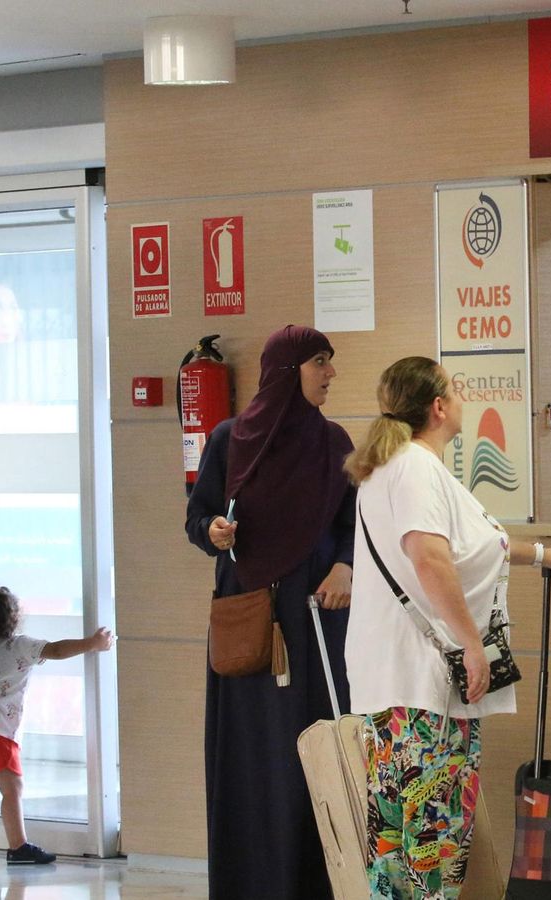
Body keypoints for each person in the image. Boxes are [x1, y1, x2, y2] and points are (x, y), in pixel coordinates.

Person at [343, 356, 551, 899]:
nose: (463, 398)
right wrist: (473, 646)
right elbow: (429, 557)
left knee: (394, 844)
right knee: (434, 842)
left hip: (390, 683)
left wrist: (540, 554)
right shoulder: (416, 468)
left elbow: (471, 546)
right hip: (425, 687)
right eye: (455, 389)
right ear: (438, 407)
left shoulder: (391, 467)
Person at [184, 324, 356, 899]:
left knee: (317, 748)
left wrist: (345, 566)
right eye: (319, 363)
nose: (331, 373)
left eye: (329, 362)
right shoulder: (230, 440)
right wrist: (213, 529)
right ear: (287, 372)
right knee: (255, 755)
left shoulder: (334, 445)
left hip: (314, 620)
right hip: (252, 617)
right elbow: (197, 516)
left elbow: (354, 526)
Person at [0, 585, 114, 864]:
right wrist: (92, 643)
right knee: (12, 787)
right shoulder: (20, 645)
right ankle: (18, 846)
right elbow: (57, 650)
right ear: (13, 617)